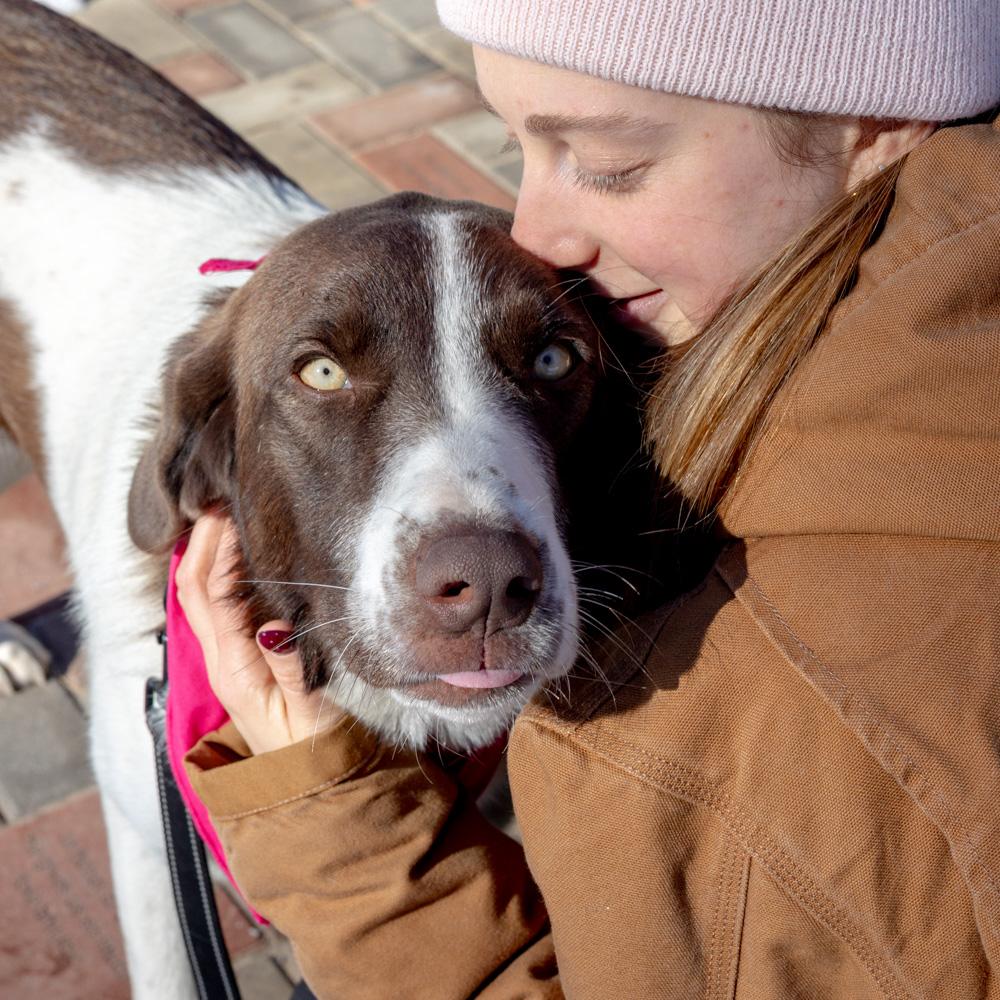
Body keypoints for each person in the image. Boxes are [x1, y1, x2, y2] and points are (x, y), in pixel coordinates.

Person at [176, 1, 1000, 996]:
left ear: (868, 125)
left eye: (606, 162)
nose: (537, 234)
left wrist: (348, 837)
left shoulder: (784, 709)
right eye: (519, 146)